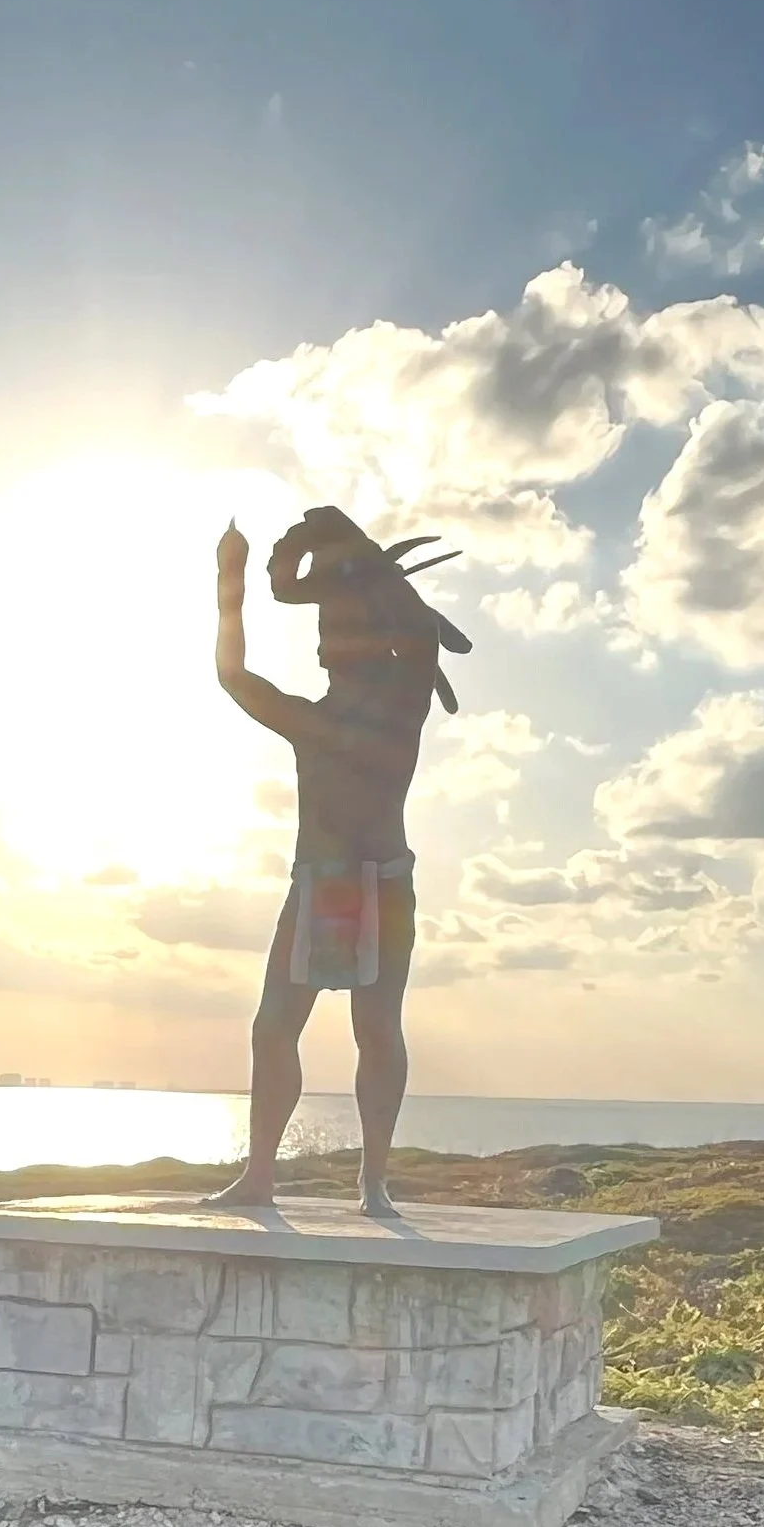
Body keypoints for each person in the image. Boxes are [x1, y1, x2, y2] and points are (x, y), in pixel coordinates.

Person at [210, 503, 469, 1216]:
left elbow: (417, 633)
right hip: (326, 883)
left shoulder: (398, 704)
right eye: (329, 629)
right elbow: (233, 676)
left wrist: (349, 551)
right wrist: (231, 581)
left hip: (378, 882)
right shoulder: (321, 718)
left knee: (376, 1029)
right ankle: (263, 1173)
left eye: (342, 626)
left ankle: (372, 1180)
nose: (332, 640)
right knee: (276, 1027)